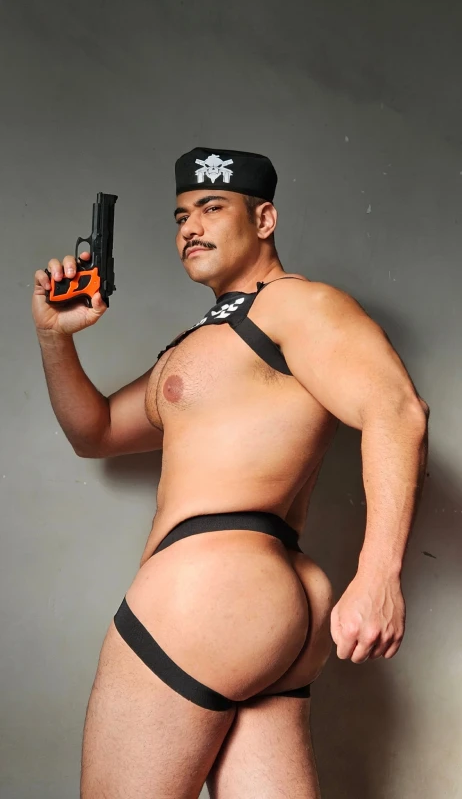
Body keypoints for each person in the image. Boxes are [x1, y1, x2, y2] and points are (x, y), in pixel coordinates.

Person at [32, 147, 429, 799]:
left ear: (264, 219)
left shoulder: (294, 305)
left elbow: (397, 409)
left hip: (209, 591)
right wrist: (56, 338)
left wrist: (380, 575)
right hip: (268, 605)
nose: (190, 227)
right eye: (181, 216)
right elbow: (94, 431)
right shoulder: (212, 336)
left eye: (212, 208)